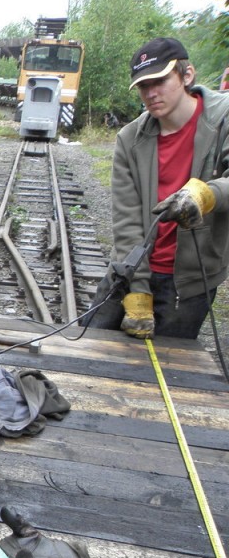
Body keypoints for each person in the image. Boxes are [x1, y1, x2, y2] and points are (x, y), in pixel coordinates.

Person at [89, 37, 229, 339]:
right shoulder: (130, 138)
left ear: (187, 75)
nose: (151, 93)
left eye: (160, 81)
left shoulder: (223, 121)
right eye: (143, 86)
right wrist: (137, 290)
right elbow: (127, 219)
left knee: (168, 363)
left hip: (189, 284)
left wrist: (206, 194)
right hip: (129, 271)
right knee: (89, 347)